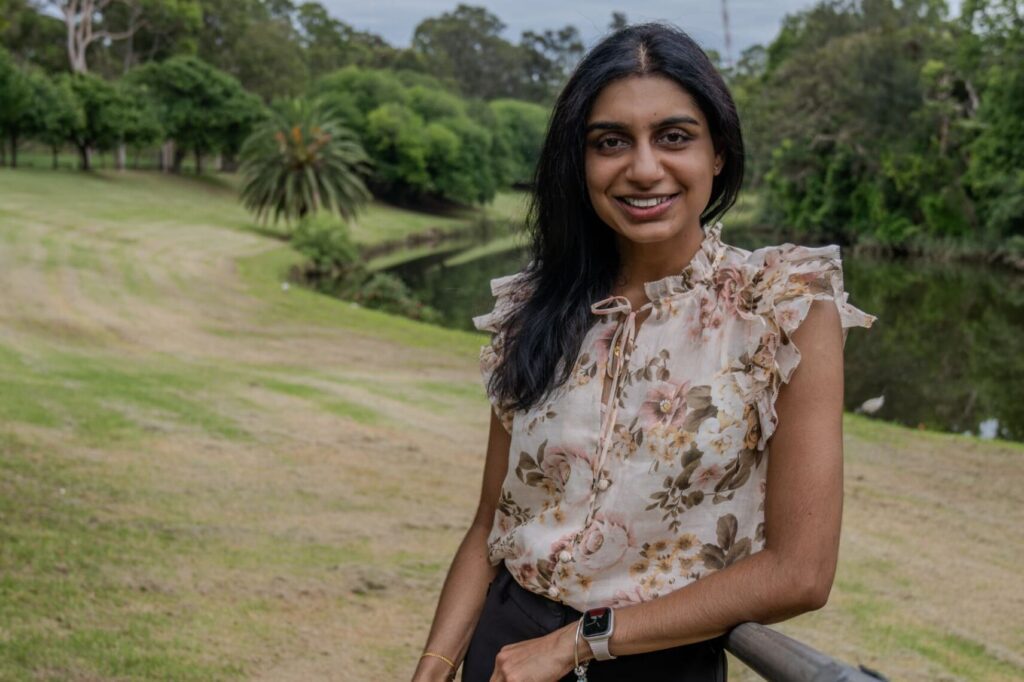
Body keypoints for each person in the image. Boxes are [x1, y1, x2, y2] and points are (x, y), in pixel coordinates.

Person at [412, 22, 876, 682]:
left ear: (718, 153)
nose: (644, 167)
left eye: (674, 136)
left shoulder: (783, 306)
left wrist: (577, 641)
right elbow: (493, 522)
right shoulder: (535, 309)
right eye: (610, 142)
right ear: (581, 162)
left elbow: (800, 574)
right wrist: (434, 664)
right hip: (505, 657)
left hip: (655, 664)